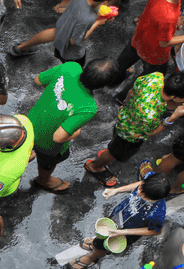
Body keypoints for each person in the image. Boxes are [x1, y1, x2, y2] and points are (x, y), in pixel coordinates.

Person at [84, 71, 184, 186]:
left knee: (116, 141)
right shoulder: (150, 114)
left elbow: (131, 92)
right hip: (130, 134)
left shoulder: (156, 77)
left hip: (124, 117)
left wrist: (125, 105)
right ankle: (95, 165)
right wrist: (173, 117)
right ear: (173, 97)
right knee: (116, 153)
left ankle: (111, 149)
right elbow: (150, 133)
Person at [28, 59, 118, 193]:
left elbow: (38, 80)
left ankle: (28, 152)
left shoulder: (70, 67)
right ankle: (43, 180)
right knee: (46, 163)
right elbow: (58, 137)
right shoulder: (88, 107)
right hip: (47, 144)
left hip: (30, 123)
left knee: (28, 144)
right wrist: (76, 132)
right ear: (104, 86)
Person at [9, 0, 123, 64]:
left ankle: (21, 48)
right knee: (74, 66)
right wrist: (97, 23)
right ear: (106, 0)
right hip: (71, 47)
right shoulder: (87, 18)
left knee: (55, 32)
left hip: (68, 18)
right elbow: (74, 40)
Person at [71, 173, 170, 269]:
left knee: (104, 246)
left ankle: (93, 256)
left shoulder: (157, 213)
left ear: (153, 198)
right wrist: (116, 190)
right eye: (141, 187)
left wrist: (123, 232)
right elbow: (140, 183)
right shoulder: (150, 180)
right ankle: (95, 244)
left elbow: (156, 231)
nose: (139, 191)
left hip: (126, 232)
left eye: (144, 194)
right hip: (118, 215)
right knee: (101, 238)